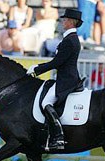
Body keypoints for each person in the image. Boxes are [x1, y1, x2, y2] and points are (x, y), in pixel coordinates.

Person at [26, 9, 83, 150]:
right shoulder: (70, 39)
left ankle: (58, 137)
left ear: (70, 22)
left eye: (65, 20)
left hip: (67, 80)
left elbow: (57, 62)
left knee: (46, 102)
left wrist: (37, 69)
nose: (62, 22)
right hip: (64, 78)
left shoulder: (70, 41)